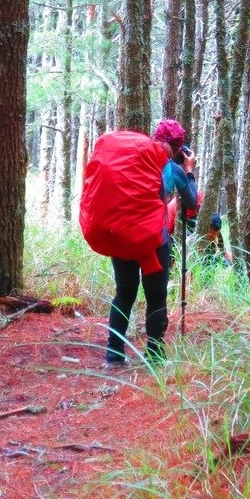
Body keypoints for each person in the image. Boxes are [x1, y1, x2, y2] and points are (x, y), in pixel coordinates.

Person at [105, 119, 198, 367]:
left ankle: (114, 354)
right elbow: (191, 202)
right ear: (179, 148)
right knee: (156, 296)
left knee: (124, 292)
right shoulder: (173, 169)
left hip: (123, 237)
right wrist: (189, 170)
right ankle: (154, 355)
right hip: (154, 242)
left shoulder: (132, 161)